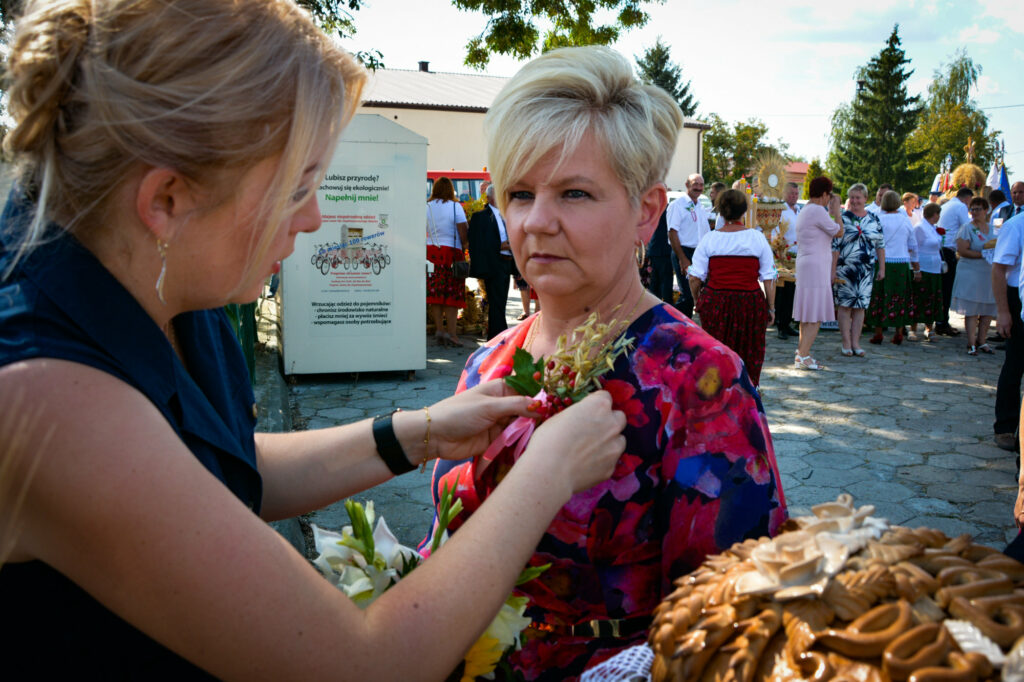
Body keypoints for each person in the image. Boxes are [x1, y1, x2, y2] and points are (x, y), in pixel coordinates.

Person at [0, 3, 632, 679]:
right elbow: (365, 664)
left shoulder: (163, 282)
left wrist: (419, 432)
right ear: (168, 200)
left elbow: (221, 465)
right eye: (296, 187)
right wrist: (546, 472)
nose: (314, 217)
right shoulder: (45, 397)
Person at [425, 46, 787, 681]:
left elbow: (737, 622)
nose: (537, 222)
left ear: (646, 211)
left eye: (575, 193)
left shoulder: (700, 382)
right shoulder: (487, 363)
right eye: (520, 193)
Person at [688, 189, 777, 385]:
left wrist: (697, 300)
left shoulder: (710, 238)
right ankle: (747, 389)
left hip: (716, 303)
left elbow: (694, 278)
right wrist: (771, 307)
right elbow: (769, 277)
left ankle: (718, 391)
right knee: (749, 351)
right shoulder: (756, 238)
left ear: (720, 211)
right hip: (749, 304)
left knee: (716, 351)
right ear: (744, 211)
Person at [793, 176, 843, 370]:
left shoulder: (806, 209)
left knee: (807, 312)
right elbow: (839, 231)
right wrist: (837, 211)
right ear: (823, 194)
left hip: (807, 263)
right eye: (828, 195)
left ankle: (802, 353)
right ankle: (804, 355)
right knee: (815, 314)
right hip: (816, 266)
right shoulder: (817, 210)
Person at [832, 183, 884, 357]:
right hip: (845, 269)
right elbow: (835, 246)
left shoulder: (874, 219)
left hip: (866, 270)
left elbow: (880, 245)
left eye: (858, 197)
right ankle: (846, 342)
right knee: (845, 306)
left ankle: (856, 343)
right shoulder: (843, 218)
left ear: (865, 199)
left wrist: (882, 268)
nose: (854, 201)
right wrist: (832, 270)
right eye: (852, 197)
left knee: (860, 307)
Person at [867, 190, 920, 345]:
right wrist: (916, 268)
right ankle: (898, 332)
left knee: (880, 296)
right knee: (899, 297)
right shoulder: (905, 220)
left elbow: (872, 242)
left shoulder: (878, 219)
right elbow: (913, 246)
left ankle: (878, 333)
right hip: (901, 263)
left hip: (881, 262)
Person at [992, 206, 1024, 451]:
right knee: (1015, 364)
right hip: (1016, 298)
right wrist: (1003, 311)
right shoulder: (1015, 225)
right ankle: (1005, 426)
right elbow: (999, 269)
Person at [951, 196, 997, 355]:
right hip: (971, 272)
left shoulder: (993, 228)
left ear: (986, 210)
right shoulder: (966, 228)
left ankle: (982, 340)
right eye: (972, 209)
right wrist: (983, 254)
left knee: (988, 308)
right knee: (972, 309)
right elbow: (962, 250)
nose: (975, 212)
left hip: (988, 273)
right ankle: (971, 342)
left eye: (978, 209)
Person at [426, 176, 469, 346]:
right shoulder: (455, 207)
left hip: (431, 253)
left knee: (435, 293)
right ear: (451, 190)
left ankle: (439, 330)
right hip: (452, 253)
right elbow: (463, 232)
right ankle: (452, 334)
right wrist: (466, 245)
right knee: (452, 294)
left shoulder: (427, 206)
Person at [468, 184, 514, 339]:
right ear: (489, 198)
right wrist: (500, 245)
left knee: (500, 302)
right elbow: (478, 242)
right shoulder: (481, 217)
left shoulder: (506, 215)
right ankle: (500, 336)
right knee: (496, 303)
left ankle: (497, 336)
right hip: (493, 264)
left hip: (506, 263)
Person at [667, 173, 710, 317]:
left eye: (701, 185)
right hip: (683, 252)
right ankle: (677, 324)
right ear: (687, 185)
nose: (698, 187)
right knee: (687, 294)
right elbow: (672, 233)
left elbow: (705, 234)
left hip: (698, 253)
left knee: (698, 292)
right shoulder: (677, 205)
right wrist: (682, 258)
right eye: (695, 184)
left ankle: (687, 325)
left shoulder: (700, 207)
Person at [935, 186, 975, 336]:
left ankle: (941, 321)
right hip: (948, 251)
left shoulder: (947, 205)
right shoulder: (960, 207)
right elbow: (967, 227)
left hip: (941, 249)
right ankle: (942, 323)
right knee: (947, 289)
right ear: (967, 198)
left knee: (943, 288)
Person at [909, 202, 944, 342]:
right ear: (933, 214)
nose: (939, 217)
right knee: (919, 298)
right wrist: (916, 269)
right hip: (923, 268)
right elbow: (913, 249)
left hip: (935, 269)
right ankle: (912, 329)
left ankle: (929, 328)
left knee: (932, 299)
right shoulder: (920, 228)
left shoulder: (933, 228)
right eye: (938, 214)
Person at [773, 181, 801, 340]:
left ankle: (788, 322)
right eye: (791, 193)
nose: (794, 196)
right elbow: (775, 232)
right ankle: (781, 325)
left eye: (796, 194)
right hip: (783, 256)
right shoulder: (780, 210)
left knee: (793, 292)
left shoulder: (799, 210)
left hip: (797, 255)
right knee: (783, 292)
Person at [645, 207, 674, 303]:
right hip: (663, 250)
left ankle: (654, 306)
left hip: (655, 249)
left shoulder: (654, 209)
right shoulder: (667, 209)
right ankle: (665, 306)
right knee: (664, 283)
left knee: (655, 283)